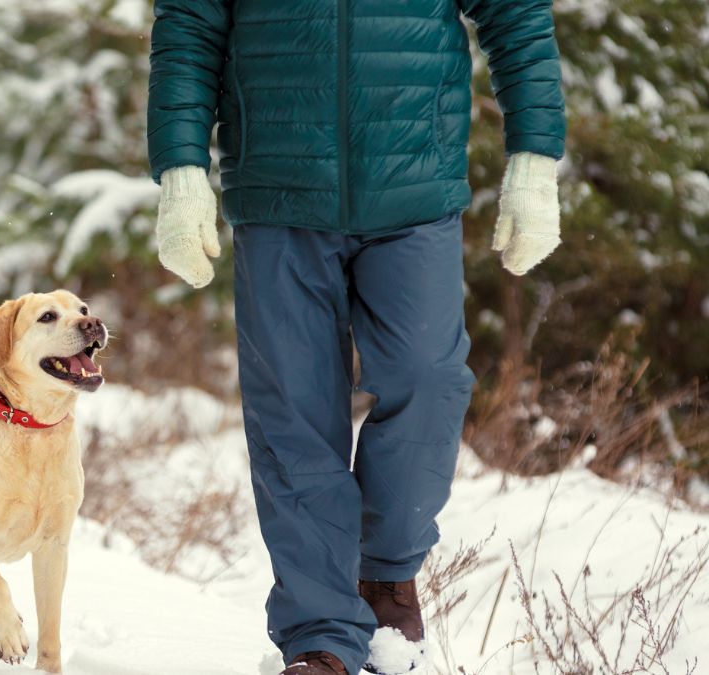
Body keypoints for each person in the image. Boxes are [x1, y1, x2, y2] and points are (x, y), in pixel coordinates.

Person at [146, 0, 565, 673]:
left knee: (428, 375)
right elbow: (189, 25)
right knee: (294, 412)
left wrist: (535, 159)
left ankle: (387, 574)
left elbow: (515, 15)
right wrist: (181, 169)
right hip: (278, 184)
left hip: (413, 183)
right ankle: (319, 633)